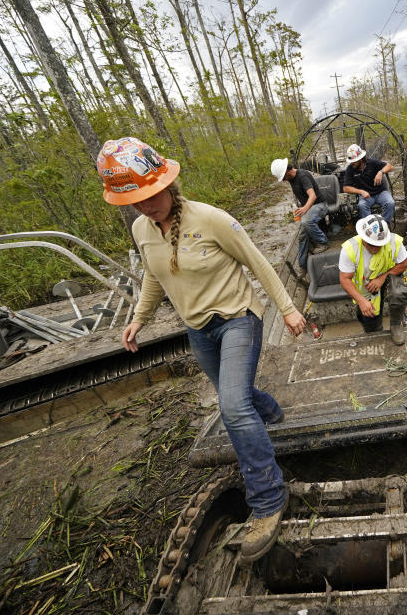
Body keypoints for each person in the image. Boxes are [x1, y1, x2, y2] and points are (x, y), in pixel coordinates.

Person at [98, 136, 304, 563]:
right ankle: (271, 412)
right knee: (241, 399)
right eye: (136, 201)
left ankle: (267, 501)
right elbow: (157, 277)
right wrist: (138, 318)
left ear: (168, 184)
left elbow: (258, 262)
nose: (146, 206)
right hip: (198, 329)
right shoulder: (141, 228)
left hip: (237, 318)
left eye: (152, 195)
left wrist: (287, 309)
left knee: (230, 406)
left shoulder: (211, 220)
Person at [338, 214, 407, 346]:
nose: (374, 249)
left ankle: (395, 325)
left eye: (379, 245)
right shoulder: (350, 249)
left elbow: (404, 263)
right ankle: (374, 329)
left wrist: (382, 277)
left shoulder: (393, 242)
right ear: (363, 238)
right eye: (371, 245)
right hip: (366, 286)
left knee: (399, 293)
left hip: (388, 277)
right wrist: (361, 301)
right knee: (368, 315)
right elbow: (344, 279)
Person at [271, 158, 328, 279]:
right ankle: (302, 265)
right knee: (302, 234)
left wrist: (304, 210)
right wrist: (300, 208)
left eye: (283, 177)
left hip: (320, 206)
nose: (283, 180)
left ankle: (323, 243)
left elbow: (312, 196)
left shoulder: (302, 176)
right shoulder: (292, 178)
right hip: (310, 208)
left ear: (287, 171)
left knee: (306, 221)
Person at [341, 143, 395, 223]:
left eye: (354, 161)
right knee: (362, 206)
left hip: (380, 192)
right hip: (366, 196)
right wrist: (360, 191)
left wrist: (381, 172)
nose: (352, 163)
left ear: (361, 159)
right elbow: (346, 188)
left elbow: (390, 166)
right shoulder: (350, 169)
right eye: (351, 161)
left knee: (390, 203)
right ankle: (371, 226)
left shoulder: (372, 162)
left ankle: (384, 225)